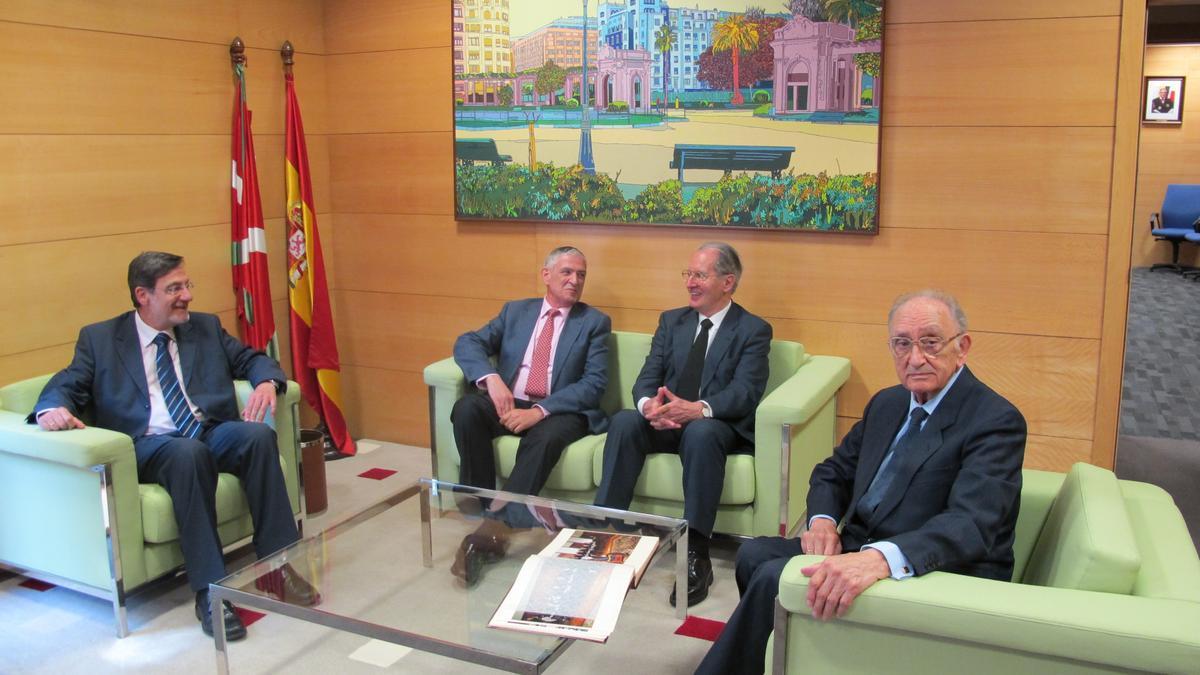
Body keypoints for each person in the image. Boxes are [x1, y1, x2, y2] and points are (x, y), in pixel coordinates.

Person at [696, 290, 1027, 675]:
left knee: (776, 576)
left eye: (931, 343)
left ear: (962, 347)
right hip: (860, 543)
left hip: (935, 568)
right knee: (754, 555)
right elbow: (833, 472)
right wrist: (821, 520)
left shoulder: (995, 420)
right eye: (902, 344)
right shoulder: (888, 403)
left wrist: (878, 558)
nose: (915, 358)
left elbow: (972, 523)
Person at [31, 251, 318, 641]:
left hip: (207, 429)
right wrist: (50, 408)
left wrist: (266, 381)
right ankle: (211, 592)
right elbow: (68, 382)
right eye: (174, 289)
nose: (187, 296)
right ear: (143, 295)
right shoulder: (100, 339)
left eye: (187, 285)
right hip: (150, 443)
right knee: (187, 454)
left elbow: (251, 359)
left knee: (256, 436)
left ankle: (276, 566)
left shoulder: (204, 327)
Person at [594, 241, 771, 607]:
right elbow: (648, 377)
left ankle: (696, 554)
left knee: (702, 433)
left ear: (727, 281)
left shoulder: (753, 329)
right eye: (688, 274)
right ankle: (607, 532)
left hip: (713, 426)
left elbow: (745, 392)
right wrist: (649, 407)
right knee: (625, 421)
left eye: (700, 275)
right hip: (665, 422)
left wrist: (699, 408)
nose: (690, 282)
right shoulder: (671, 320)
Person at [449, 246, 611, 585]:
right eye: (567, 272)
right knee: (467, 408)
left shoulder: (594, 322)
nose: (575, 280)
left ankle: (494, 530)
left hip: (560, 409)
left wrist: (539, 411)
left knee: (547, 437)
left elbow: (593, 384)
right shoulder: (516, 312)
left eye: (581, 274)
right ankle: (479, 503)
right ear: (546, 275)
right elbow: (467, 342)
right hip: (511, 399)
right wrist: (491, 379)